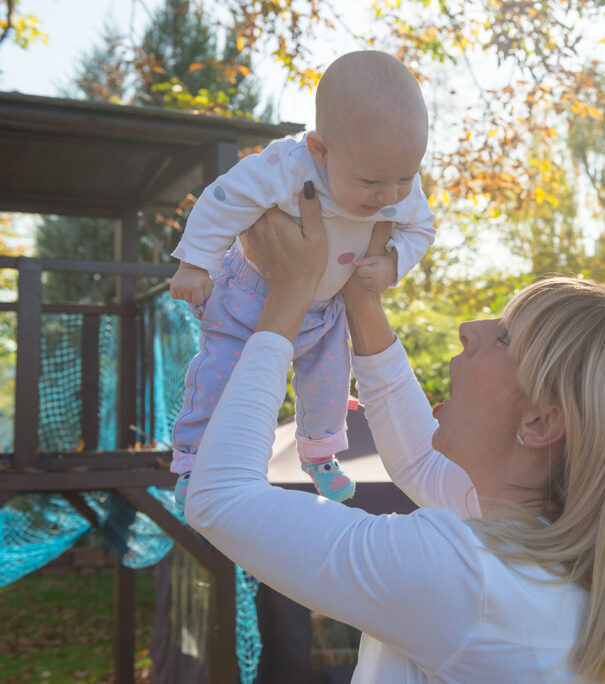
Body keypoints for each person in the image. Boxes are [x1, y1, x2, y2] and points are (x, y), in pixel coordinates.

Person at [184, 190, 605, 682]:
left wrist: (288, 296)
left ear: (540, 423)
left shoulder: (467, 578)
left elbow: (222, 498)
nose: (469, 328)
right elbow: (419, 462)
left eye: (505, 337)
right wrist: (362, 300)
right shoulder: (562, 574)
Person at [167, 50, 435, 510]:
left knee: (330, 385)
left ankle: (320, 455)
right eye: (371, 182)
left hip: (326, 309)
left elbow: (421, 228)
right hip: (250, 298)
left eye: (405, 178)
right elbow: (224, 200)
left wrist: (393, 263)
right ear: (320, 151)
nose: (389, 196)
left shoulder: (395, 186)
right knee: (218, 376)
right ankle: (193, 461)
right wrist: (196, 263)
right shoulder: (286, 168)